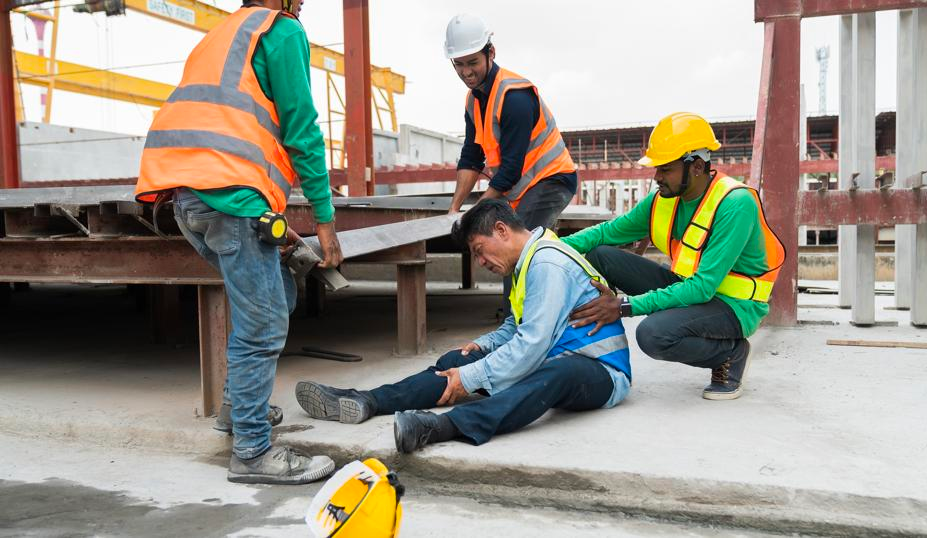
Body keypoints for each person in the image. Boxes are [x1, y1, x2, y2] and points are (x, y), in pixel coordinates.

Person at [135, 0, 342, 484]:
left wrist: (268, 221)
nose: (303, 4)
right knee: (263, 322)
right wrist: (325, 221)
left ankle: (237, 409)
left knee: (276, 295)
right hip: (231, 198)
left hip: (189, 199)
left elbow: (227, 128)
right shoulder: (281, 30)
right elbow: (302, 131)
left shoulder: (220, 34)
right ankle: (251, 450)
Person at [295, 199, 632, 453]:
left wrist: (472, 377)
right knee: (458, 361)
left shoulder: (547, 263)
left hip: (599, 370)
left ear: (501, 230)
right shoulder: (527, 264)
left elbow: (531, 345)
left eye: (480, 251)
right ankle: (368, 400)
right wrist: (482, 347)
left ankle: (442, 426)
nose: (481, 262)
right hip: (552, 355)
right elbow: (517, 326)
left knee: (553, 374)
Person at [561, 112, 785, 401]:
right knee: (599, 255)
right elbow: (605, 233)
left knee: (652, 335)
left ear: (697, 166)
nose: (657, 177)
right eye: (657, 168)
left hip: (733, 306)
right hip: (691, 289)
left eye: (665, 169)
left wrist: (625, 306)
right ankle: (590, 336)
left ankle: (730, 353)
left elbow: (703, 287)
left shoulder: (735, 204)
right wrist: (547, 245)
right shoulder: (664, 200)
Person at [443, 14, 578, 312]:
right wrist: (454, 209)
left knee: (512, 245)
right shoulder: (472, 100)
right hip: (522, 187)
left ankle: (518, 322)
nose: (466, 72)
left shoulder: (514, 96)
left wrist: (474, 213)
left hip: (552, 180)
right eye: (459, 64)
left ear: (490, 53)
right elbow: (471, 156)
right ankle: (530, 314)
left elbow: (510, 170)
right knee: (520, 244)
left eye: (472, 62)